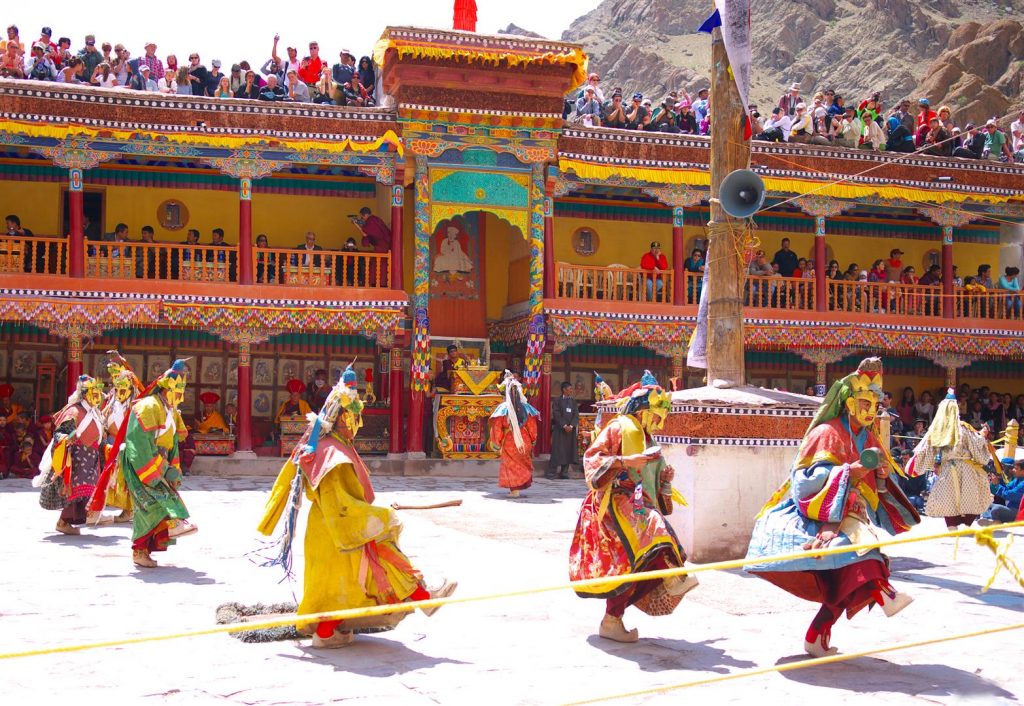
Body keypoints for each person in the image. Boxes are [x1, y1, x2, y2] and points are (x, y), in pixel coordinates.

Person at [258, 365, 457, 648]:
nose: (357, 422)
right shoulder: (331, 454)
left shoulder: (334, 445)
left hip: (331, 530)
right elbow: (340, 505)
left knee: (339, 587)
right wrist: (381, 516)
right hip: (337, 529)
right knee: (380, 559)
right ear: (340, 419)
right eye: (353, 416)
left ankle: (326, 634)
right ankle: (424, 599)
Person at [745, 357, 918, 657]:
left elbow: (876, 486)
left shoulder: (869, 437)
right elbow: (803, 481)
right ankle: (885, 593)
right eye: (864, 402)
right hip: (819, 512)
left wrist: (881, 475)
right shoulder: (826, 432)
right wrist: (849, 472)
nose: (870, 410)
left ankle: (817, 635)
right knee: (863, 553)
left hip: (851, 512)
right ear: (849, 402)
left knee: (846, 581)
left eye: (874, 405)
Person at [569, 370, 697, 642]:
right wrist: (625, 462)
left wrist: (665, 480)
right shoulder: (619, 427)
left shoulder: (650, 442)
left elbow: (661, 499)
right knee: (654, 526)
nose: (659, 423)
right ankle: (675, 577)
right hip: (613, 502)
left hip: (636, 504)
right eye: (655, 416)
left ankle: (612, 620)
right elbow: (593, 459)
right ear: (642, 411)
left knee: (635, 567)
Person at [111, 360, 198, 568]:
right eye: (176, 392)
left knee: (162, 499)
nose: (179, 397)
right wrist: (162, 468)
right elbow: (139, 443)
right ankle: (140, 550)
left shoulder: (171, 411)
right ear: (166, 388)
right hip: (141, 461)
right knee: (149, 506)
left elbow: (173, 442)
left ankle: (156, 540)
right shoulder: (148, 406)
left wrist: (174, 467)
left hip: (160, 461)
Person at [907, 389, 995, 529]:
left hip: (948, 468)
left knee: (948, 498)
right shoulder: (964, 428)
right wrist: (983, 435)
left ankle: (952, 526)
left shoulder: (938, 429)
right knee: (970, 496)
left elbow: (926, 448)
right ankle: (966, 524)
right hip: (967, 468)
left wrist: (917, 465)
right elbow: (976, 445)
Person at [32, 375, 107, 535]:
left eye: (99, 394)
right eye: (94, 393)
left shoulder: (95, 413)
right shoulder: (74, 411)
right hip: (76, 458)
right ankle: (63, 521)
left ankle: (74, 519)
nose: (97, 397)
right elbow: (60, 432)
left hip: (91, 457)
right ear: (85, 394)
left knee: (87, 489)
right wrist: (66, 438)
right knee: (74, 490)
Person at [99, 355, 144, 523]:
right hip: (110, 443)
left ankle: (128, 510)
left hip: (127, 444)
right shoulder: (111, 399)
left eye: (123, 388)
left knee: (126, 479)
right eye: (117, 387)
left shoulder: (136, 405)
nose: (119, 392)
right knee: (109, 477)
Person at [489, 371, 540, 498]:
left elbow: (497, 427)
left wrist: (497, 441)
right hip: (524, 440)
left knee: (511, 465)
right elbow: (532, 427)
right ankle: (520, 485)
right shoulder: (527, 408)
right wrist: (533, 439)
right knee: (522, 463)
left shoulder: (503, 408)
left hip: (510, 441)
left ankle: (514, 490)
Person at [547, 381, 580, 480]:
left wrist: (572, 425)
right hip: (560, 430)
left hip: (570, 431)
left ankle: (564, 472)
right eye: (569, 389)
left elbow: (576, 415)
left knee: (568, 451)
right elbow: (556, 414)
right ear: (564, 390)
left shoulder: (573, 402)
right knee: (557, 451)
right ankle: (551, 473)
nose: (571, 391)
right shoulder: (557, 401)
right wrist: (564, 425)